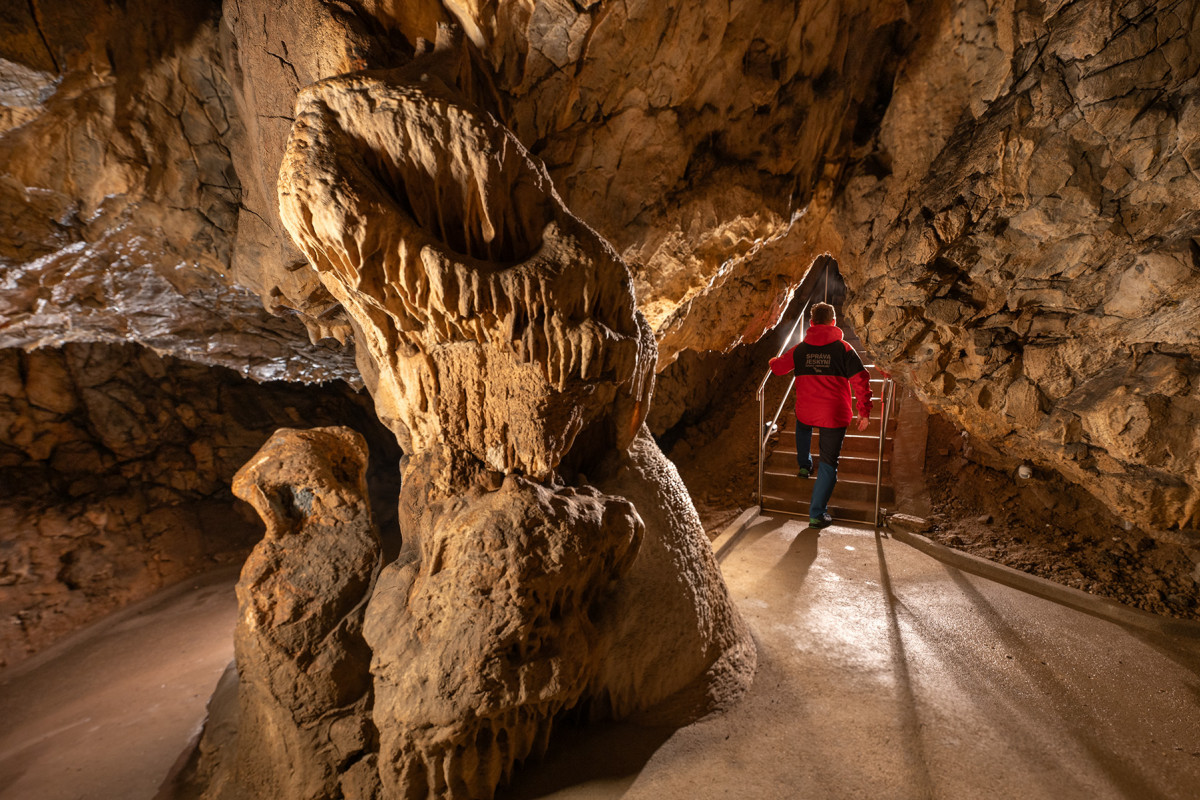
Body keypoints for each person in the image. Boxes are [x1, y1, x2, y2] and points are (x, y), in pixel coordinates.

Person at [769, 302, 872, 529]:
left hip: (807, 411)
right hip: (834, 414)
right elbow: (861, 380)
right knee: (828, 463)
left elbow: (777, 369)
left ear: (812, 323)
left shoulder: (800, 349)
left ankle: (804, 465)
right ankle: (816, 514)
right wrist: (863, 411)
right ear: (833, 322)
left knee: (802, 424)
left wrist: (773, 360)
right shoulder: (844, 349)